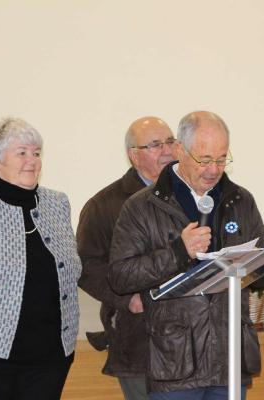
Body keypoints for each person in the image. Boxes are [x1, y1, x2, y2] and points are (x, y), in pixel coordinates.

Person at [109, 111, 264, 400]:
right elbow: (120, 276)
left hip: (229, 359)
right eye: (204, 160)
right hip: (175, 362)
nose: (214, 170)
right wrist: (178, 252)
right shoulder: (142, 207)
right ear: (180, 151)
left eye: (222, 159)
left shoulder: (240, 200)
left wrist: (263, 263)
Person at [0, 117, 81, 400]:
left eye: (36, 153)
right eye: (21, 153)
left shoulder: (57, 203)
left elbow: (71, 270)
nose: (32, 161)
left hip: (51, 355)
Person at [77, 116, 176, 400]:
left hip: (191, 341)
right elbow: (86, 265)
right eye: (156, 145)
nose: (167, 150)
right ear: (133, 155)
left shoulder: (195, 196)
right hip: (138, 336)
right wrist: (126, 299)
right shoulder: (104, 205)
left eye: (170, 141)